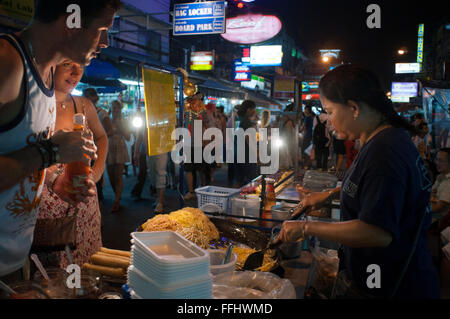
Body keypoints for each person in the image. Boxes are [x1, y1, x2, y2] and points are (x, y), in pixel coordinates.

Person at [274, 64, 440, 298]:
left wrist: (305, 227)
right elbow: (377, 188)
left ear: (353, 107)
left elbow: (377, 232)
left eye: (330, 112)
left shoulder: (385, 151)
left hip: (392, 286)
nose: (329, 121)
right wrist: (331, 194)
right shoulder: (382, 138)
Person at [0, 0, 120, 283]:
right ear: (71, 21)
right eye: (102, 29)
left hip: (16, 260)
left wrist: (54, 180)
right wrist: (51, 151)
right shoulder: (7, 62)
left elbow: (19, 154)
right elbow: (38, 152)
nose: (105, 42)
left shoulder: (48, 77)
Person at [37, 61, 108, 268]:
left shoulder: (83, 104)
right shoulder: (37, 105)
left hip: (83, 201)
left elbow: (102, 137)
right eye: (68, 64)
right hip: (47, 202)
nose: (76, 72)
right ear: (51, 65)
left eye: (80, 65)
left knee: (87, 265)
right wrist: (53, 177)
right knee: (52, 269)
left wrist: (96, 173)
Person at [83, 87, 113, 207]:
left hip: (96, 150)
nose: (86, 98)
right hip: (84, 151)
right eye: (85, 95)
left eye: (88, 95)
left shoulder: (101, 113)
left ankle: (98, 202)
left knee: (96, 181)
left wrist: (95, 139)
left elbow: (106, 134)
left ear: (95, 98)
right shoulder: (81, 111)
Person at [107, 100, 131, 213]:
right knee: (111, 175)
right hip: (109, 146)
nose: (115, 110)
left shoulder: (123, 121)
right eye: (114, 108)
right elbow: (102, 133)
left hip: (120, 146)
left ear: (120, 109)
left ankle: (117, 200)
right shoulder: (107, 119)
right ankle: (117, 194)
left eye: (117, 108)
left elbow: (128, 137)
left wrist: (120, 127)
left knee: (118, 176)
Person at [235, 100, 258, 186]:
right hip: (247, 154)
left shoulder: (237, 119)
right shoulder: (246, 121)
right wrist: (256, 153)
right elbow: (249, 139)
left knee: (239, 181)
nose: (254, 112)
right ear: (248, 109)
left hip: (237, 153)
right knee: (251, 181)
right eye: (253, 109)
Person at [279, 104, 297, 169]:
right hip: (286, 144)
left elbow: (289, 135)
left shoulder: (288, 122)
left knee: (285, 161)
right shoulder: (289, 122)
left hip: (285, 143)